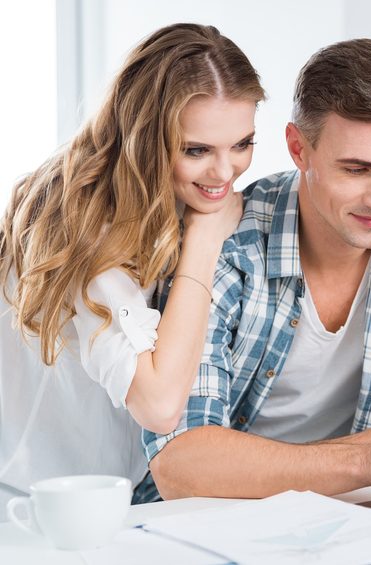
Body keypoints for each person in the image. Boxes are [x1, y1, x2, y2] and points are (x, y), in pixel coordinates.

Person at [145, 37, 371, 500]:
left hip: (349, 512)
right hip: (210, 523)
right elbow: (181, 464)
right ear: (298, 148)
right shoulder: (222, 240)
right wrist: (368, 460)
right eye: (357, 170)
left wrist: (288, 469)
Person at [0, 22, 265, 518]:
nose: (225, 173)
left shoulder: (161, 201)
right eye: (196, 150)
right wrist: (205, 241)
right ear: (144, 136)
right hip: (30, 509)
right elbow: (160, 405)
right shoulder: (82, 221)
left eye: (242, 144)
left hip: (108, 504)